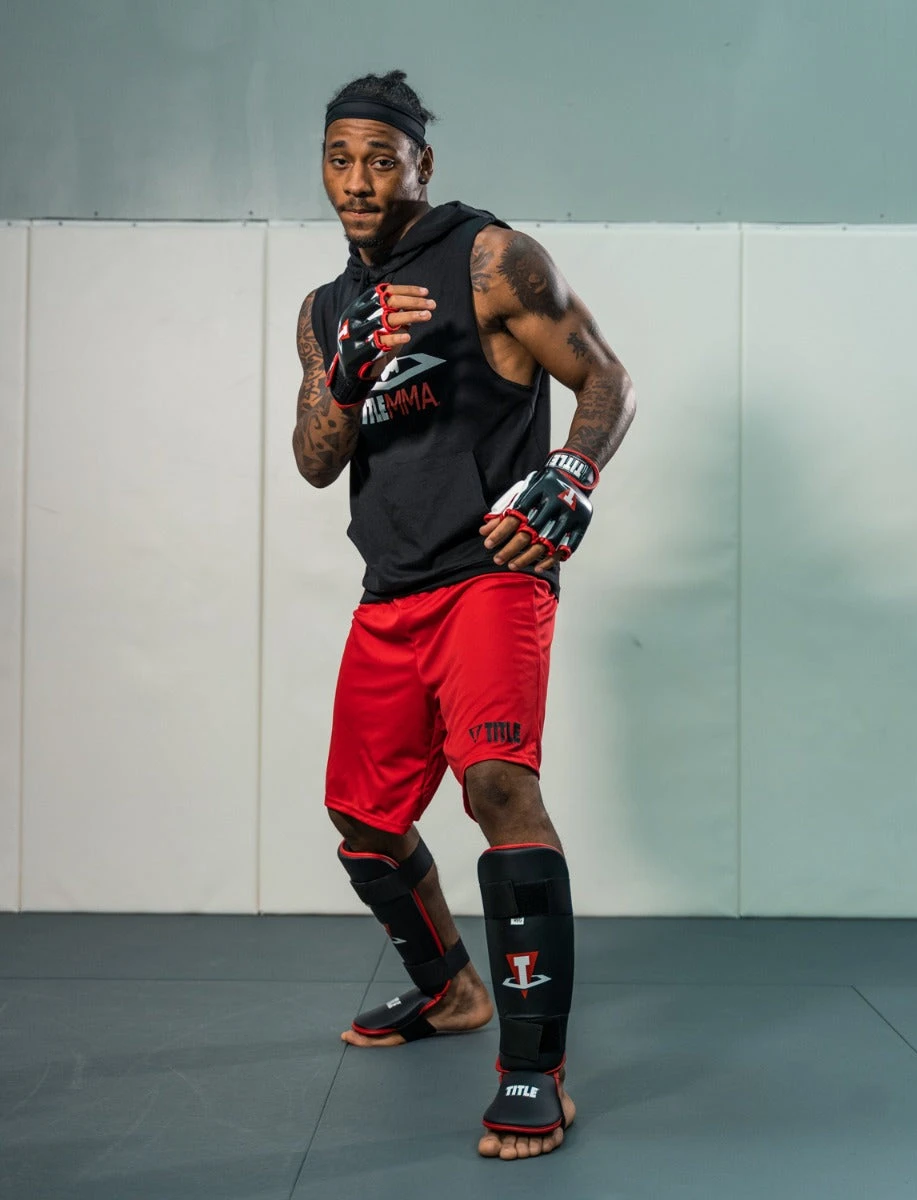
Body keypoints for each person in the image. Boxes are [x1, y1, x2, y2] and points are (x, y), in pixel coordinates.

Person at [292, 70, 635, 1161]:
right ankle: (451, 991)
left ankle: (535, 1073)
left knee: (497, 786)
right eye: (339, 159)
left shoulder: (491, 259)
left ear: (421, 165)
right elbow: (313, 461)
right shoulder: (324, 309)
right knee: (362, 824)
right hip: (390, 586)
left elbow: (607, 380)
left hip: (491, 571)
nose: (358, 181)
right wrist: (344, 379)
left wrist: (573, 472)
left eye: (380, 159)